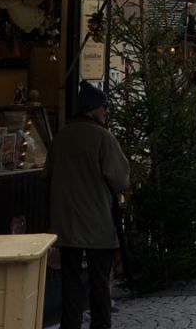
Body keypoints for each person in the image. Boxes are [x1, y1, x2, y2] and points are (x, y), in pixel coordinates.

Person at [48, 82, 130, 329]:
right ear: (93, 109)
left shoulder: (61, 136)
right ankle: (101, 325)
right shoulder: (103, 138)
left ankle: (70, 325)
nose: (106, 112)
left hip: (66, 223)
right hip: (97, 223)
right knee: (99, 281)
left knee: (70, 280)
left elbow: (46, 175)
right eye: (104, 108)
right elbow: (121, 179)